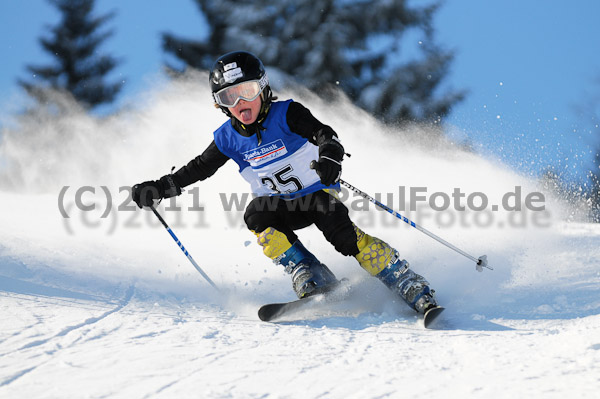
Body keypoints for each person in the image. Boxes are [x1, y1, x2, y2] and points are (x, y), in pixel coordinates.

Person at [132, 51, 438, 314]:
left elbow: (324, 134)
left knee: (343, 236)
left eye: (248, 90)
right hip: (280, 207)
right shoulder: (227, 137)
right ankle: (308, 270)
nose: (241, 102)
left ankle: (404, 279)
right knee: (255, 214)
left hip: (316, 197)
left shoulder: (287, 113)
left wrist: (330, 156)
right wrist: (159, 188)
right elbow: (198, 169)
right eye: (229, 97)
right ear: (220, 105)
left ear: (264, 89)